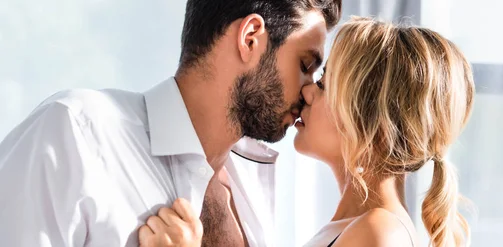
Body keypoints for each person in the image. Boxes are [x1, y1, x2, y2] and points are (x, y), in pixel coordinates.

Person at [0, 0, 341, 246]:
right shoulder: (75, 133)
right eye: (305, 65)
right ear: (250, 37)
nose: (310, 90)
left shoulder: (252, 181)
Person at [147, 17, 475, 247]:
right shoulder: (360, 227)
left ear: (367, 117)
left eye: (324, 83)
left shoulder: (379, 233)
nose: (306, 93)